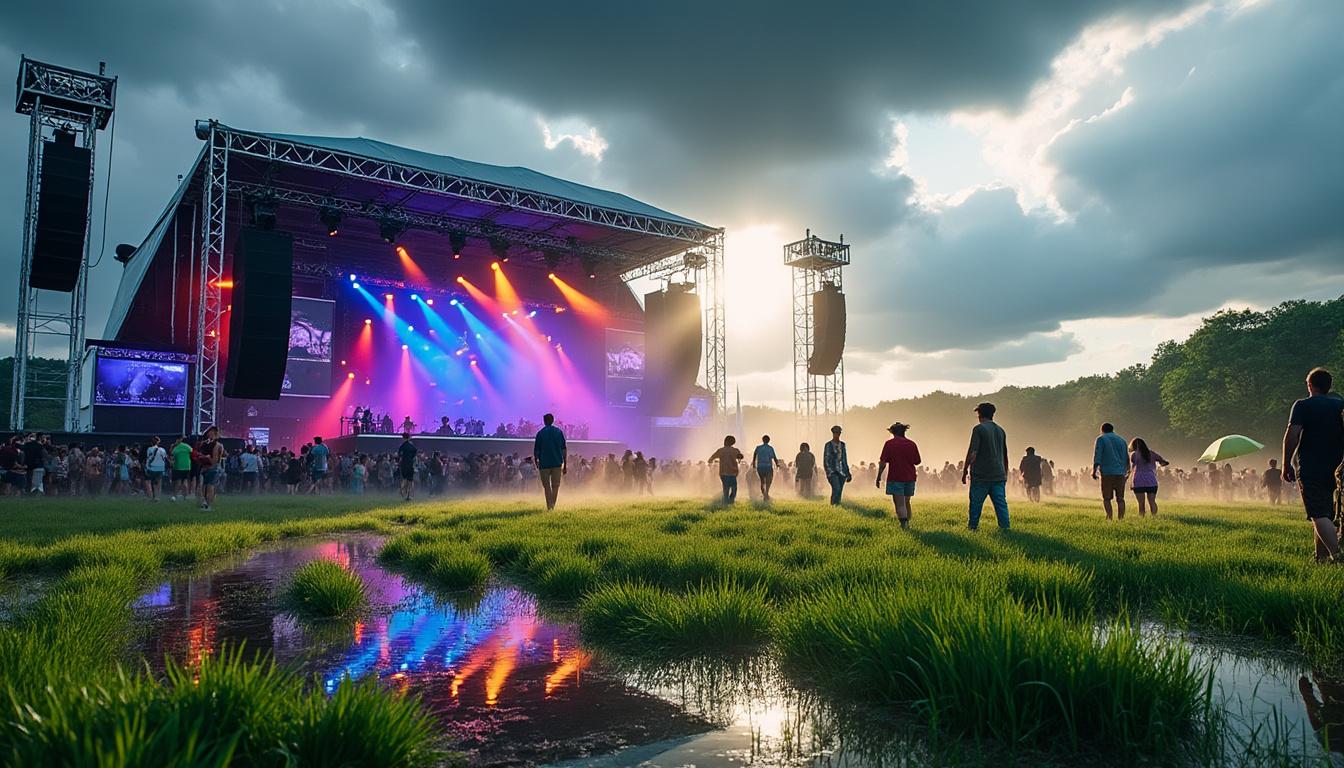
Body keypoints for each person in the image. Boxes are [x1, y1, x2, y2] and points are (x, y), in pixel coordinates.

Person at [1282, 368, 1344, 563]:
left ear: (1310, 385)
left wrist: (1286, 464)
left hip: (1310, 467)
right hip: (1337, 468)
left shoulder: (1302, 405)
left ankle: (1337, 556)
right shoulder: (1340, 406)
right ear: (1329, 386)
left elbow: (1292, 435)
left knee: (1318, 514)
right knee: (1326, 514)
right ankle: (1321, 559)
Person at [962, 402, 1010, 530]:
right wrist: (1005, 473)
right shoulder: (1001, 430)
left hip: (981, 474)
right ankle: (1005, 528)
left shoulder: (979, 429)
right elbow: (1005, 454)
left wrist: (965, 469)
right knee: (1001, 505)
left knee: (976, 504)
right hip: (999, 474)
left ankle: (972, 527)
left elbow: (973, 452)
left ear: (979, 414)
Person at [875, 423, 921, 528]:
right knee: (906, 501)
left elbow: (883, 463)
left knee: (899, 503)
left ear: (892, 432)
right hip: (910, 477)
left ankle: (904, 524)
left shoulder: (889, 444)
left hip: (895, 477)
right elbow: (917, 461)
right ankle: (907, 521)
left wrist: (878, 477)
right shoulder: (912, 444)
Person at [1092, 423, 1130, 520]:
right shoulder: (1122, 440)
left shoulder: (1101, 439)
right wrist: (1127, 471)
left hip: (1107, 472)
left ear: (1102, 430)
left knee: (1107, 498)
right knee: (1120, 499)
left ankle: (1109, 517)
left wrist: (1094, 470)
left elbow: (1098, 455)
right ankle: (1121, 519)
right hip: (1120, 472)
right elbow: (1126, 457)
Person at [533, 413, 567, 510]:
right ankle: (552, 505)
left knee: (547, 486)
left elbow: (536, 450)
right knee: (555, 486)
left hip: (544, 463)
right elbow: (564, 448)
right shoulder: (559, 432)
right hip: (557, 462)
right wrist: (565, 464)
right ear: (553, 420)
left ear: (544, 421)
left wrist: (536, 461)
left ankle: (549, 506)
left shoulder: (540, 433)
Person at [1129, 437, 1169, 517]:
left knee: (1141, 503)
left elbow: (1133, 465)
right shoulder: (1152, 453)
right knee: (1152, 502)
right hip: (1151, 480)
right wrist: (1161, 464)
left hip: (1138, 480)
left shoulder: (1134, 455)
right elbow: (1163, 462)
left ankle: (1142, 517)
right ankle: (1154, 516)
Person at [708, 436, 744, 504]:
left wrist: (710, 460)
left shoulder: (721, 450)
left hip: (723, 473)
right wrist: (740, 456)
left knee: (726, 488)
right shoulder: (735, 450)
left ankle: (725, 501)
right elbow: (740, 456)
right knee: (734, 488)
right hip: (733, 472)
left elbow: (712, 457)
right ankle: (730, 501)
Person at [195, 426, 224, 511]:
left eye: (210, 432)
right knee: (206, 486)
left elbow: (215, 459)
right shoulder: (208, 443)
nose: (208, 434)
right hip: (208, 467)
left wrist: (205, 457)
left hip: (210, 467)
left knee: (208, 486)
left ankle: (207, 504)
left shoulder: (217, 445)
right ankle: (206, 504)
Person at [823, 425, 852, 505]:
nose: (837, 434)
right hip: (832, 471)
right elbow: (826, 459)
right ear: (833, 433)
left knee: (839, 491)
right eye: (836, 432)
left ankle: (837, 504)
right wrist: (829, 472)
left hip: (842, 471)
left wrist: (848, 473)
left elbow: (844, 459)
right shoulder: (828, 445)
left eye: (838, 433)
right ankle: (833, 505)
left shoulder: (842, 445)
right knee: (836, 488)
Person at [751, 435, 781, 502]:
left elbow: (754, 455)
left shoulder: (758, 448)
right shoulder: (770, 448)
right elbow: (774, 457)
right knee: (768, 481)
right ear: (769, 440)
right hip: (768, 466)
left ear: (762, 440)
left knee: (762, 481)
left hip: (760, 466)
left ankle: (765, 494)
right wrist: (777, 464)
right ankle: (766, 493)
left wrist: (753, 464)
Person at [144, 436, 167, 501]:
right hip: (160, 468)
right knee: (159, 482)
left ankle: (152, 496)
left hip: (152, 468)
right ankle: (158, 497)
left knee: (152, 482)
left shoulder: (149, 449)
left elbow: (148, 459)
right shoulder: (163, 450)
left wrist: (146, 467)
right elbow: (164, 459)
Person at [170, 436, 193, 502]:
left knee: (179, 481)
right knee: (185, 480)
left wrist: (173, 446)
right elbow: (192, 451)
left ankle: (175, 496)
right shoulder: (187, 446)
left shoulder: (176, 448)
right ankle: (186, 496)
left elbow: (172, 454)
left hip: (178, 466)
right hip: (187, 466)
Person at [397, 432, 418, 501]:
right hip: (410, 464)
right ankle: (408, 495)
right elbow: (415, 453)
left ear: (403, 438)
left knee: (404, 479)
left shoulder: (402, 446)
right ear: (409, 437)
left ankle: (402, 490)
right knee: (410, 481)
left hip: (404, 464)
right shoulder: (412, 446)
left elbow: (399, 455)